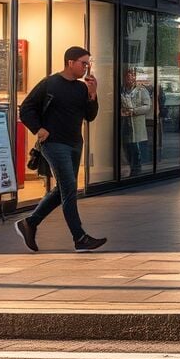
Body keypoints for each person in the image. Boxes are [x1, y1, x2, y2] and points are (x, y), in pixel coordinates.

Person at [14, 46, 106, 252]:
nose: (86, 68)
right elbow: (26, 107)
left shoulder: (82, 88)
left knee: (63, 189)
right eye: (83, 63)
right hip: (54, 143)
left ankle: (30, 223)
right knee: (69, 188)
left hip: (75, 143)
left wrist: (93, 95)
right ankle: (79, 237)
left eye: (88, 64)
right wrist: (38, 129)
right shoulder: (50, 84)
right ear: (70, 62)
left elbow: (90, 116)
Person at [119, 69, 152, 177]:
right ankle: (130, 166)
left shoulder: (141, 90)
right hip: (125, 121)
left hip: (136, 121)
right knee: (126, 145)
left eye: (132, 76)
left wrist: (134, 111)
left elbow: (147, 106)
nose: (130, 79)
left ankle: (136, 168)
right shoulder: (122, 90)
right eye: (128, 77)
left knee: (135, 146)